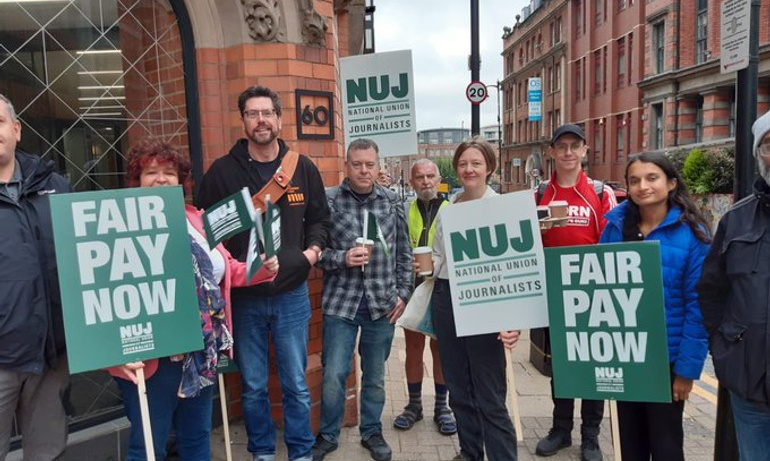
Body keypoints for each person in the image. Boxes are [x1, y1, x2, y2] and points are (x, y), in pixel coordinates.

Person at [109, 139, 279, 461]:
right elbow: (100, 293)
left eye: (169, 173)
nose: (161, 179)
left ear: (181, 181)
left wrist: (261, 268)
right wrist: (114, 354)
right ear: (136, 180)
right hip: (149, 358)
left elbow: (225, 269)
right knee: (148, 448)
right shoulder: (117, 224)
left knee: (197, 439)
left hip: (201, 351)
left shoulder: (198, 220)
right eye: (151, 172)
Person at [195, 85, 330, 461]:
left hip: (291, 294)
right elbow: (203, 233)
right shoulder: (222, 172)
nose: (261, 120)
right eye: (253, 114)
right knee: (253, 385)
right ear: (243, 121)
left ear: (279, 119)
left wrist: (310, 254)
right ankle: (262, 452)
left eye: (267, 113)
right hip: (245, 299)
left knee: (296, 383)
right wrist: (230, 266)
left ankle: (301, 452)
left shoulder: (302, 168)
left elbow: (320, 220)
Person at [600, 152, 710, 461]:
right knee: (628, 445)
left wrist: (686, 372)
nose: (642, 186)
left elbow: (698, 308)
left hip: (667, 361)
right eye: (634, 180)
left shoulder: (694, 235)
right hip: (625, 355)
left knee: (666, 447)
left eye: (652, 178)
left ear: (671, 183)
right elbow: (598, 291)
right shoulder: (614, 228)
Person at [311, 139, 412, 461]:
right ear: (347, 166)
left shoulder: (392, 201)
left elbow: (404, 252)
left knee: (376, 378)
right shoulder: (328, 200)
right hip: (341, 302)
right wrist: (342, 258)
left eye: (370, 164)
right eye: (357, 164)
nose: (364, 170)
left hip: (382, 304)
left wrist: (404, 294)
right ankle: (328, 434)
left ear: (378, 166)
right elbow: (316, 252)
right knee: (333, 374)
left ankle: (371, 431)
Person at [421, 137, 520, 461]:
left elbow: (518, 268)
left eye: (476, 163)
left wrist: (514, 320)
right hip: (447, 299)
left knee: (489, 394)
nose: (468, 169)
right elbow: (439, 256)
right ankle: (470, 453)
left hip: (487, 304)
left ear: (489, 168)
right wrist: (427, 265)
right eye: (463, 163)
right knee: (459, 389)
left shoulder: (504, 209)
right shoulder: (448, 210)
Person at [535, 124, 616, 461]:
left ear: (584, 150)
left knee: (594, 366)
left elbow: (613, 243)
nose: (568, 152)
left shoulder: (601, 192)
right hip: (556, 295)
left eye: (574, 146)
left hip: (594, 295)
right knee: (562, 367)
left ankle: (591, 435)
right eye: (562, 146)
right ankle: (561, 429)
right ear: (551, 152)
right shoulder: (540, 194)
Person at [0, 93, 72, 461]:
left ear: (16, 130)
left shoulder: (55, 186)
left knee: (47, 453)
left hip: (50, 358)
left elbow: (83, 261)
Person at [697, 109, 770, 461]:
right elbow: (712, 291)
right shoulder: (736, 219)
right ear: (759, 154)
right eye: (769, 145)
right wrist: (725, 347)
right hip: (748, 383)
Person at [392, 159, 455, 435]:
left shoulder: (451, 209)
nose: (426, 181)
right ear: (412, 182)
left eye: (431, 176)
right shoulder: (405, 209)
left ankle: (442, 407)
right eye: (420, 177)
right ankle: (414, 405)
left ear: (439, 179)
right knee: (413, 348)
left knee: (441, 350)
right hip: (415, 288)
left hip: (442, 287)